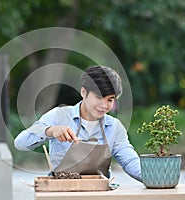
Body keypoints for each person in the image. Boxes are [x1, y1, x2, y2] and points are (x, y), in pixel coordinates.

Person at [14, 65, 142, 182]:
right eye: (98, 97)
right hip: (60, 192)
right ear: (83, 92)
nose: (104, 105)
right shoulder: (59, 115)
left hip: (98, 193)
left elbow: (130, 161)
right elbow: (20, 143)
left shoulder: (114, 127)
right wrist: (50, 131)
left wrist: (155, 179)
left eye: (110, 100)